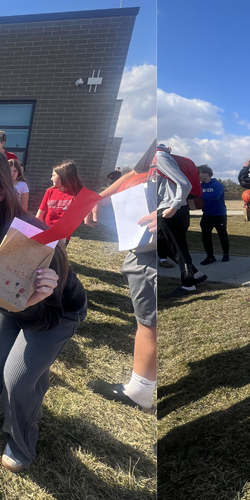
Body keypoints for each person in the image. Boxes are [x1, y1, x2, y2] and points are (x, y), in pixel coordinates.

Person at [0, 147, 87, 473]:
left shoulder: (33, 236)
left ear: (0, 191)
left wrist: (32, 300)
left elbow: (49, 318)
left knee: (18, 379)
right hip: (0, 302)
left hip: (57, 311)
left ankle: (21, 439)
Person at [87, 140, 159, 413]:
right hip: (142, 243)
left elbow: (188, 191)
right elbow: (135, 173)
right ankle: (141, 385)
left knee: (150, 321)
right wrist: (99, 198)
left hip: (154, 247)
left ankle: (140, 391)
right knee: (146, 319)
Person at [153, 143, 205, 298]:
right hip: (166, 207)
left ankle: (188, 285)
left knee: (178, 248)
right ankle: (195, 273)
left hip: (172, 209)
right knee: (162, 243)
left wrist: (174, 207)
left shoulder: (159, 157)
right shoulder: (157, 157)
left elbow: (184, 184)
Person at [36, 160, 83, 228]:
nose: (51, 179)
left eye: (53, 175)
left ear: (63, 176)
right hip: (46, 230)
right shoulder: (50, 191)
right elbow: (40, 214)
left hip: (62, 234)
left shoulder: (77, 195)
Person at [197, 164, 229, 265]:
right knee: (205, 236)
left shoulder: (217, 185)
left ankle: (226, 254)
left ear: (206, 174)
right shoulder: (200, 186)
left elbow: (214, 196)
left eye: (199, 174)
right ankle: (210, 256)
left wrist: (199, 194)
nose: (198, 176)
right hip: (207, 214)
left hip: (219, 214)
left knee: (222, 235)